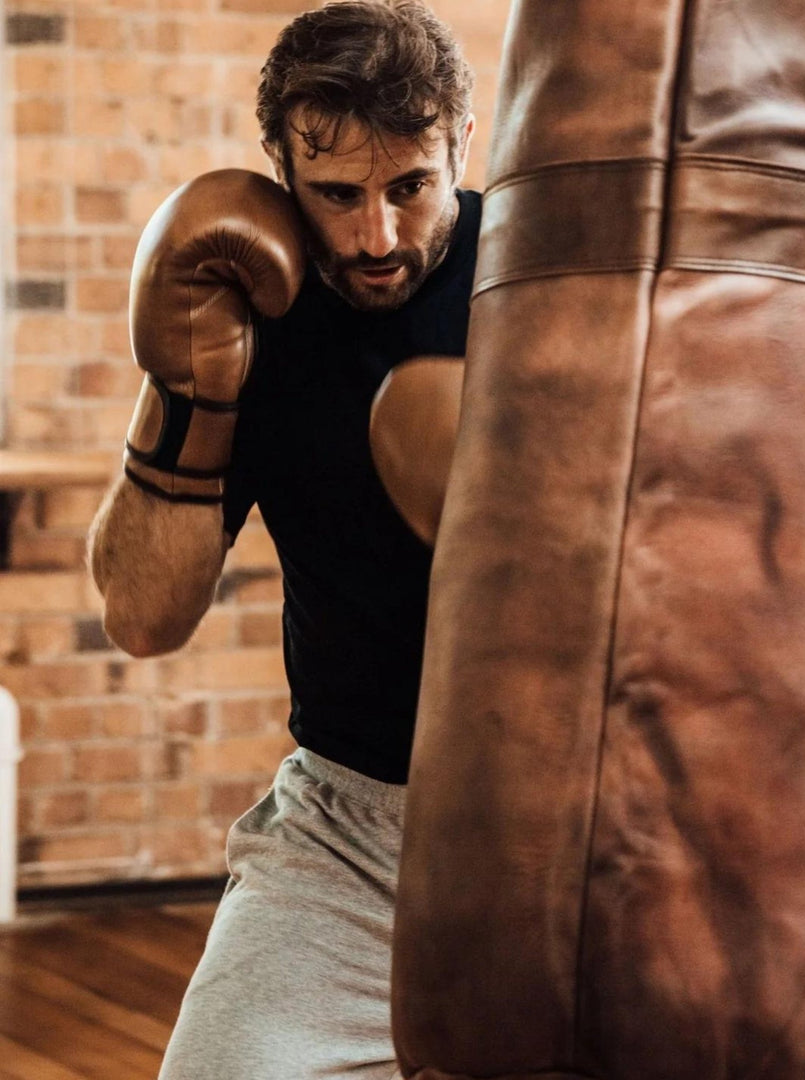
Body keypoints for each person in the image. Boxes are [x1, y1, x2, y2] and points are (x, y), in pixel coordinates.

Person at [87, 3, 478, 1077]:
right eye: (338, 197)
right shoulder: (255, 308)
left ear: (462, 148)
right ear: (282, 171)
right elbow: (143, 618)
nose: (378, 238)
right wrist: (188, 390)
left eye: (411, 187)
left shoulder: (547, 287)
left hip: (573, 829)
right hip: (352, 833)